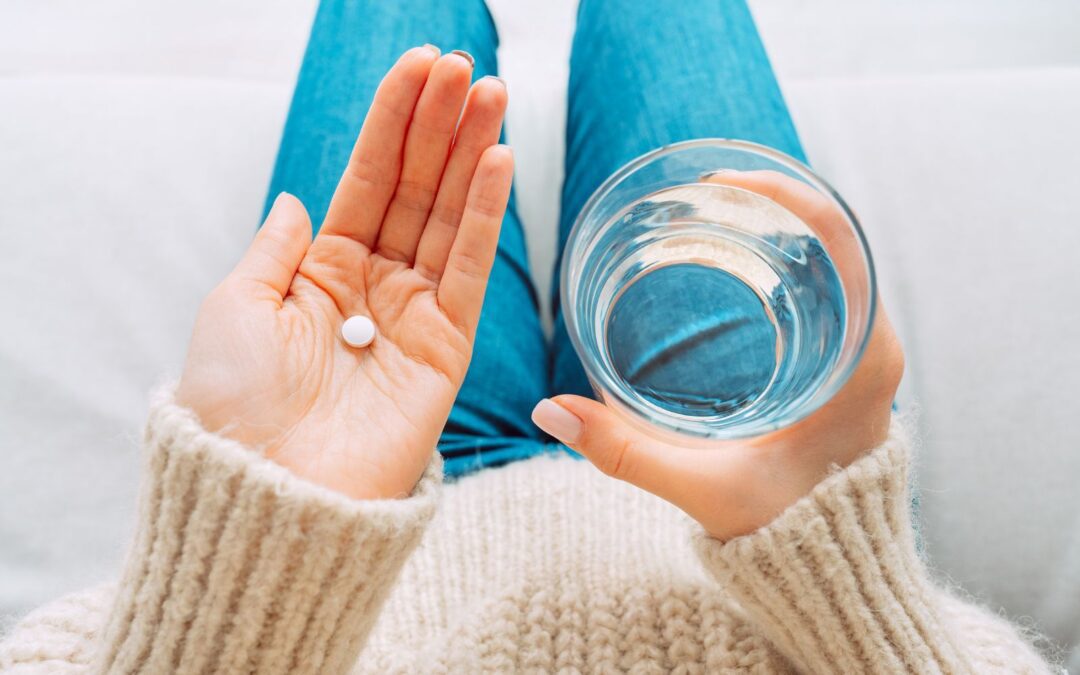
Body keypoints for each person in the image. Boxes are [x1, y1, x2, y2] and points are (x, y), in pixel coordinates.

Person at [0, 0, 1056, 672]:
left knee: (397, 11)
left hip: (368, 507)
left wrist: (268, 528)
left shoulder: (299, 511)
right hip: (747, 507)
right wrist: (841, 555)